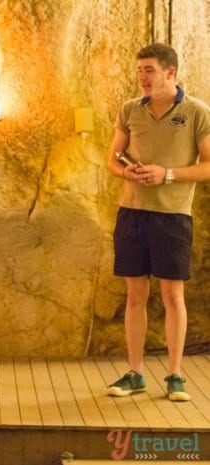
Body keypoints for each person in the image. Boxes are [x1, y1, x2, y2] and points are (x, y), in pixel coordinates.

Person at [106, 43, 210, 402]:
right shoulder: (130, 110)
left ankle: (175, 375)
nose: (142, 77)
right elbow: (113, 160)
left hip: (173, 217)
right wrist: (128, 171)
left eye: (149, 70)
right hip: (132, 213)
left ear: (170, 72)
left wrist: (166, 174)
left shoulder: (197, 111)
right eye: (139, 71)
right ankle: (135, 373)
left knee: (172, 296)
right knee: (135, 295)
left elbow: (208, 166)